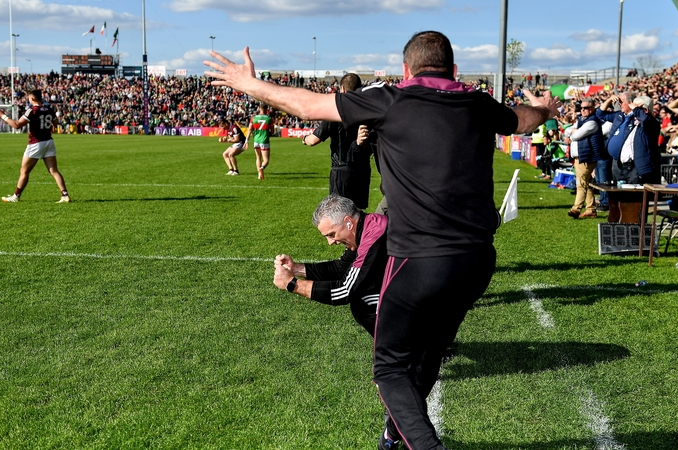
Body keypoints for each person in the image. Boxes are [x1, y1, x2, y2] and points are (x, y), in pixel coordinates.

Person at [205, 31, 560, 450]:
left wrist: (250, 84)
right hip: (478, 260)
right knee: (427, 355)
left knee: (390, 370)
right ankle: (395, 434)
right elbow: (522, 120)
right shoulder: (477, 102)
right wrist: (544, 110)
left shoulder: (391, 100)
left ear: (406, 70)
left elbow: (304, 104)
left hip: (421, 258)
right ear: (455, 70)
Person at [272, 194, 388, 336]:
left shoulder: (374, 234)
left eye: (332, 234)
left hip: (417, 294)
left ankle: (402, 353)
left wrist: (292, 284)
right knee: (362, 301)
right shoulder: (364, 228)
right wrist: (295, 268)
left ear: (348, 222)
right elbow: (340, 268)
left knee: (363, 302)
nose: (331, 242)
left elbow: (346, 291)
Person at [303, 73, 375, 210]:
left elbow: (313, 140)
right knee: (357, 213)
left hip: (342, 171)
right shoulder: (368, 112)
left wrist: (304, 139)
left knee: (339, 214)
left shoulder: (334, 112)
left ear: (342, 89)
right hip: (362, 170)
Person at [0, 89, 69, 203]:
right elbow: (55, 125)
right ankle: (65, 195)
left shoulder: (32, 110)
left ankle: (15, 197)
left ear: (33, 98)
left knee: (24, 171)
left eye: (29, 98)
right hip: (49, 142)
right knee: (54, 171)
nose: (29, 100)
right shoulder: (49, 109)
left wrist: (3, 116)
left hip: (36, 143)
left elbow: (17, 125)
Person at [567, 97, 602, 219]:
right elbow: (567, 131)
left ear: (592, 108)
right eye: (581, 108)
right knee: (585, 183)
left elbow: (575, 136)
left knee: (581, 184)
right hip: (580, 156)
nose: (582, 110)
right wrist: (573, 131)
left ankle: (576, 208)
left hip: (586, 156)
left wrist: (574, 132)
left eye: (586, 108)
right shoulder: (582, 120)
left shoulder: (592, 122)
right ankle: (591, 209)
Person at [247, 104, 274, 179]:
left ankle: (259, 175)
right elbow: (272, 131)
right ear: (266, 110)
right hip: (264, 140)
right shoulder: (269, 118)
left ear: (259, 109)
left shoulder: (253, 118)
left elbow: (249, 130)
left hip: (256, 140)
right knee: (266, 160)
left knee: (258, 158)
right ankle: (261, 169)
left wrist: (246, 140)